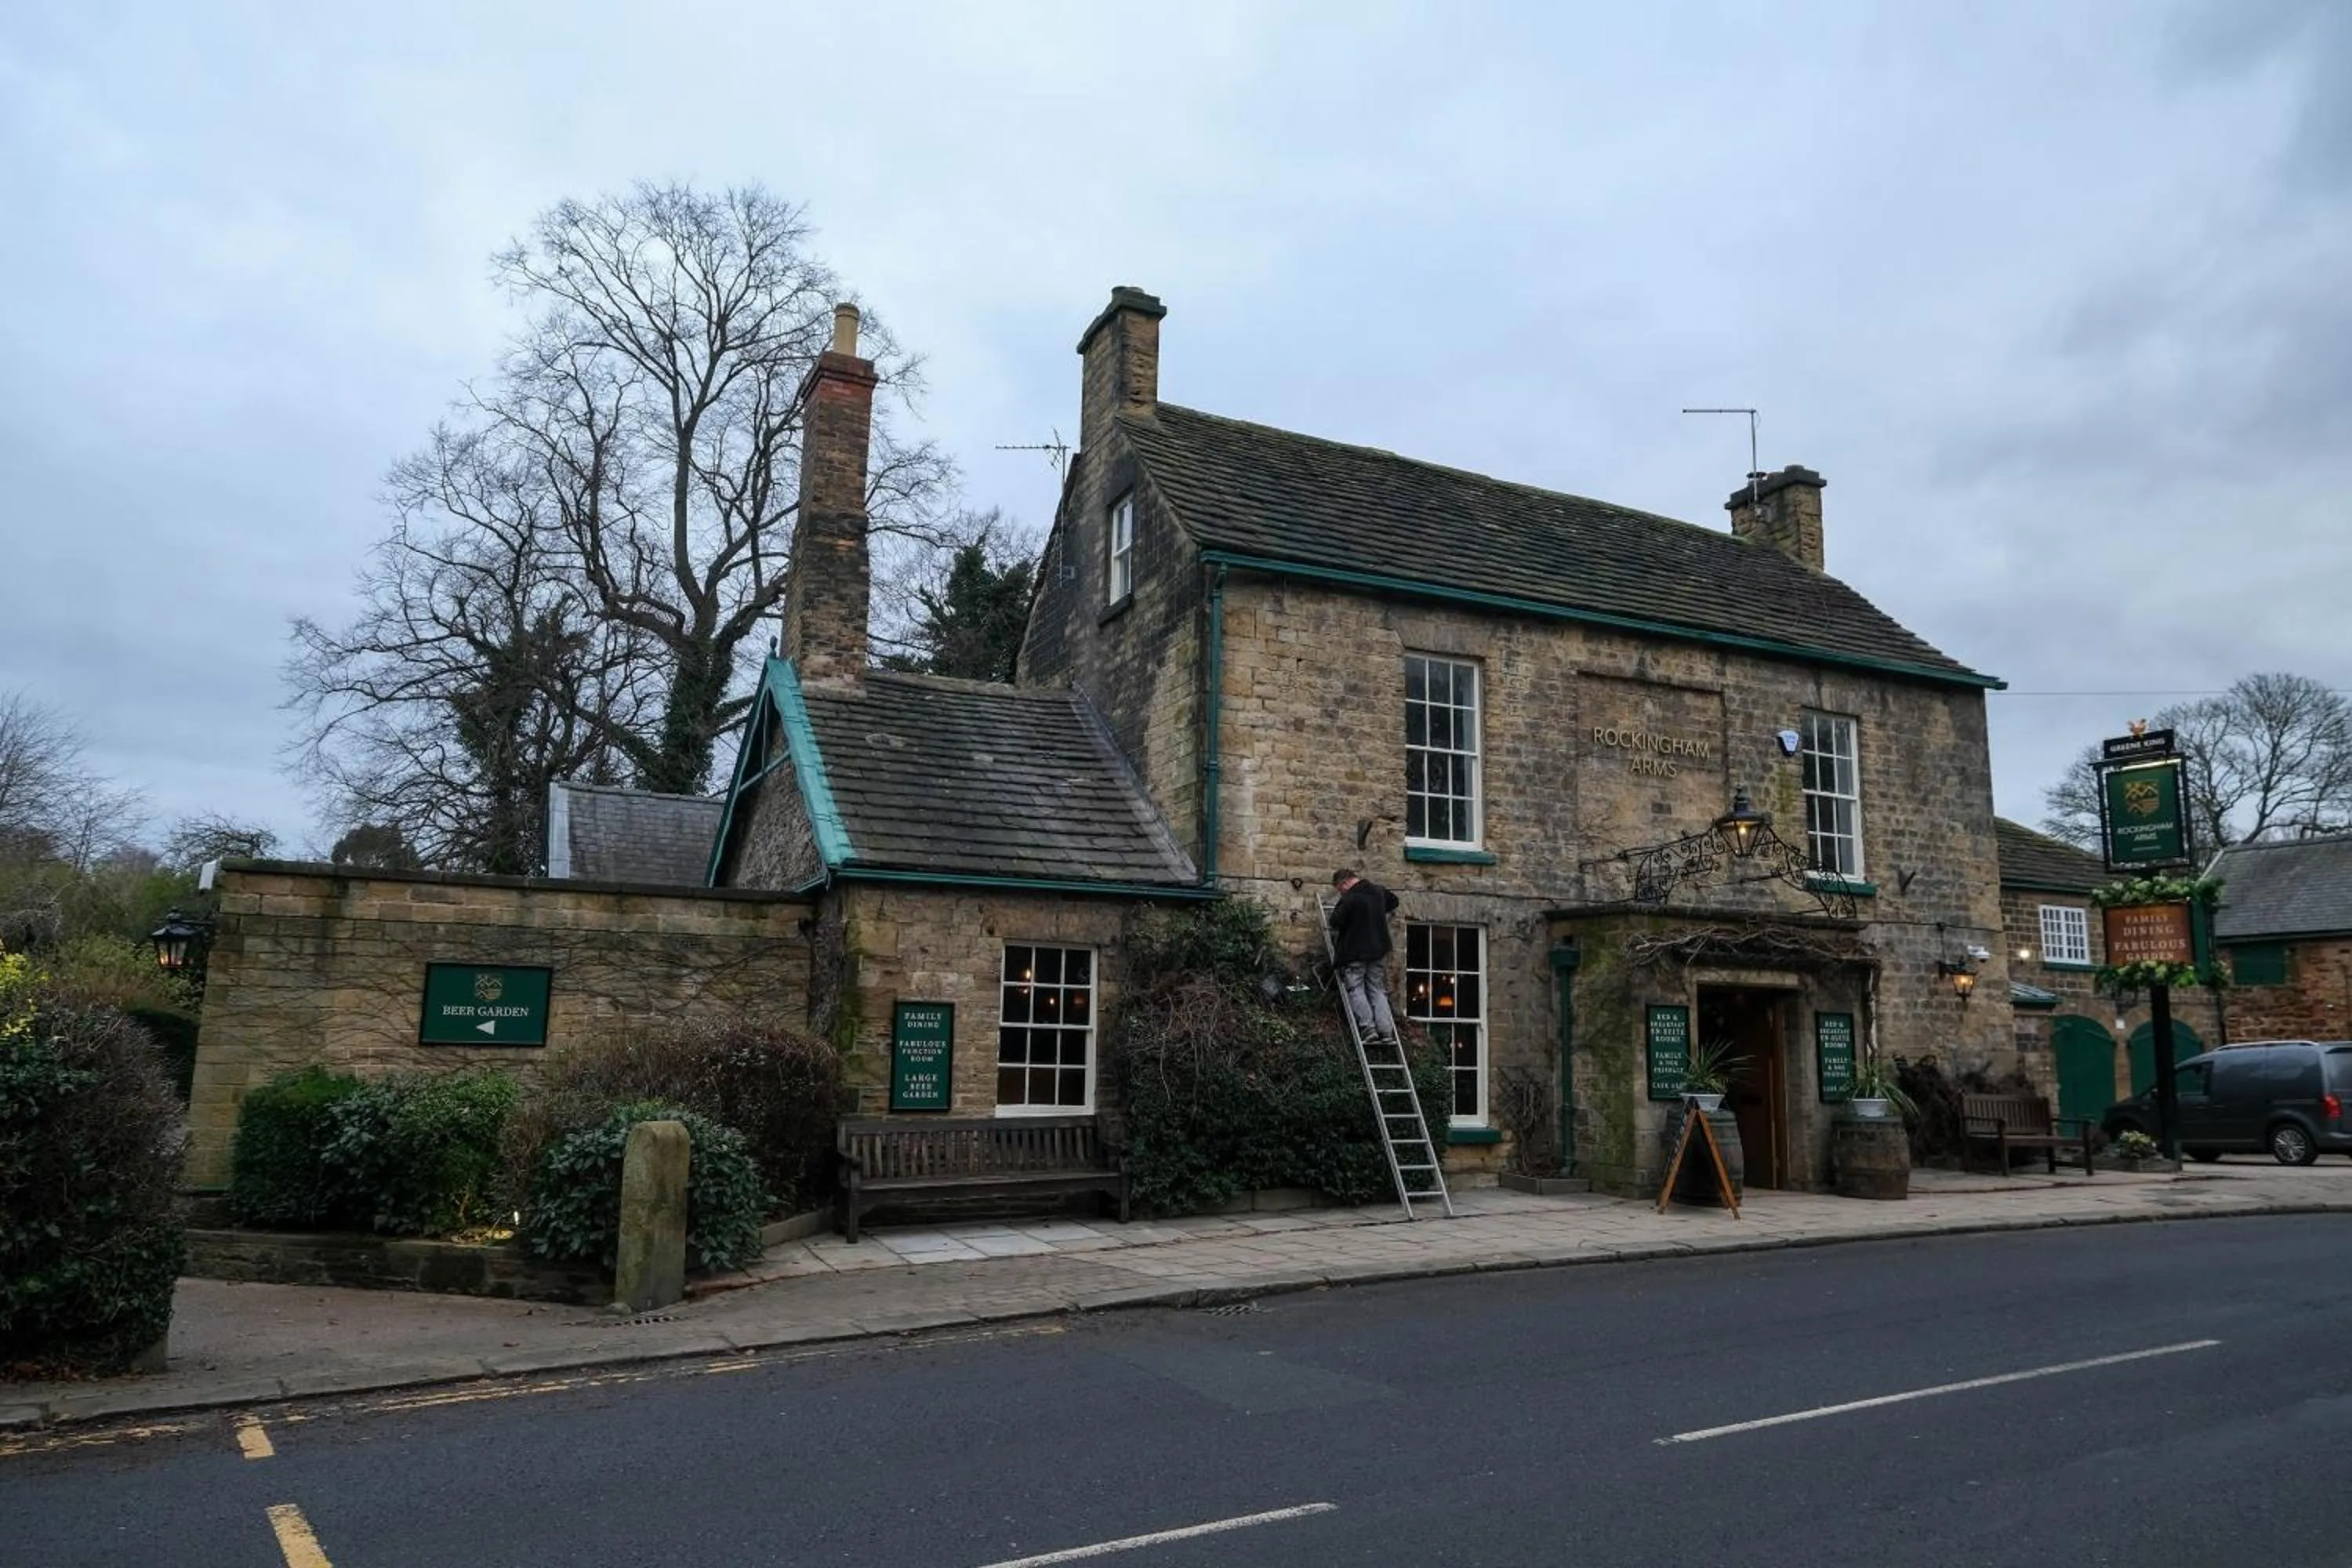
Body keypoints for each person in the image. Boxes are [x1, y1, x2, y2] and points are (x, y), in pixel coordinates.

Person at [1328, 869, 1401, 1044]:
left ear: (1345, 883)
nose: (1340, 892)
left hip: (1355, 952)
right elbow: (1394, 901)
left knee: (1356, 988)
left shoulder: (1350, 899)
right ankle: (1386, 1031)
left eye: (1340, 889)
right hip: (1378, 950)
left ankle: (1368, 1028)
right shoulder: (1378, 892)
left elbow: (1335, 921)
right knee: (1377, 989)